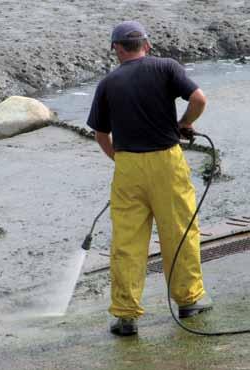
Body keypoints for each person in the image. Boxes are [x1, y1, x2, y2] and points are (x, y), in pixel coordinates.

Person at [87, 20, 213, 336]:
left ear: (116, 49)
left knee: (128, 242)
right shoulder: (166, 68)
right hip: (167, 162)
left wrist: (123, 160)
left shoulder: (108, 83)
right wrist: (184, 123)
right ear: (147, 44)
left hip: (128, 165)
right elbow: (198, 99)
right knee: (179, 231)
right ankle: (188, 301)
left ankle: (126, 316)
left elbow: (101, 134)